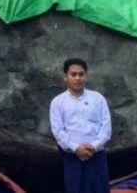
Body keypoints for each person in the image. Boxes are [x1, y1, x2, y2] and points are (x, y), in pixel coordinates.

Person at [50, 58, 112, 193]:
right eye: (73, 74)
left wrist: (94, 147)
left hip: (96, 156)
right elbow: (58, 131)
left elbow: (106, 129)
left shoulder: (98, 99)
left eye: (81, 74)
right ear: (65, 77)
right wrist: (76, 148)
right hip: (72, 157)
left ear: (86, 76)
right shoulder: (57, 102)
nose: (78, 78)